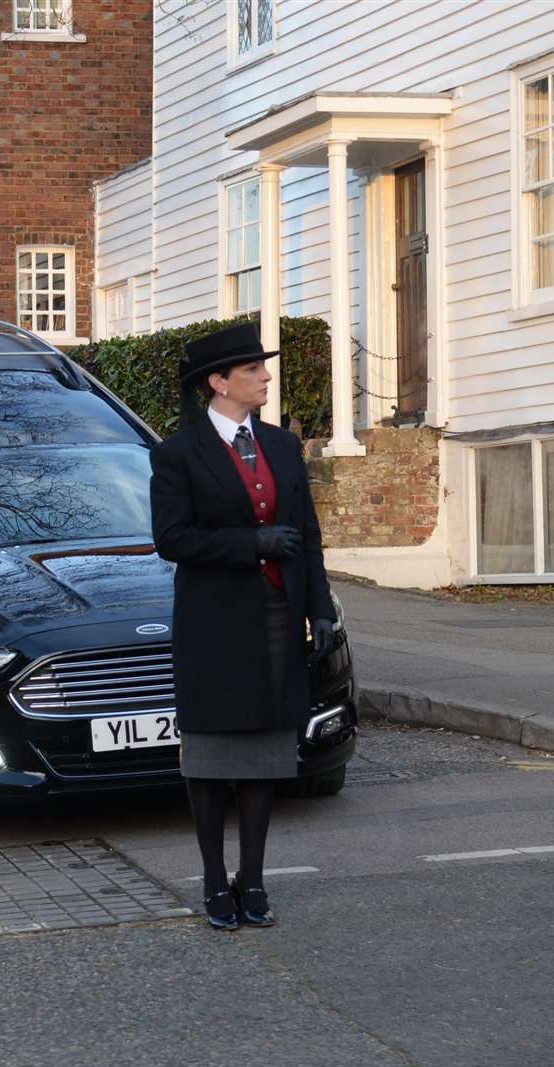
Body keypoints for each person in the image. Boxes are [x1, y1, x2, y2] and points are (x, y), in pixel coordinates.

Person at [148, 323, 337, 932]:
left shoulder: (283, 447)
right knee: (210, 757)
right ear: (219, 382)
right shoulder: (177, 454)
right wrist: (250, 542)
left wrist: (323, 610)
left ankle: (252, 880)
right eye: (253, 368)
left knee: (264, 754)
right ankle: (212, 880)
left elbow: (306, 536)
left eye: (263, 366)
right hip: (213, 625)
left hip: (278, 615)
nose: (265, 376)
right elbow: (172, 540)